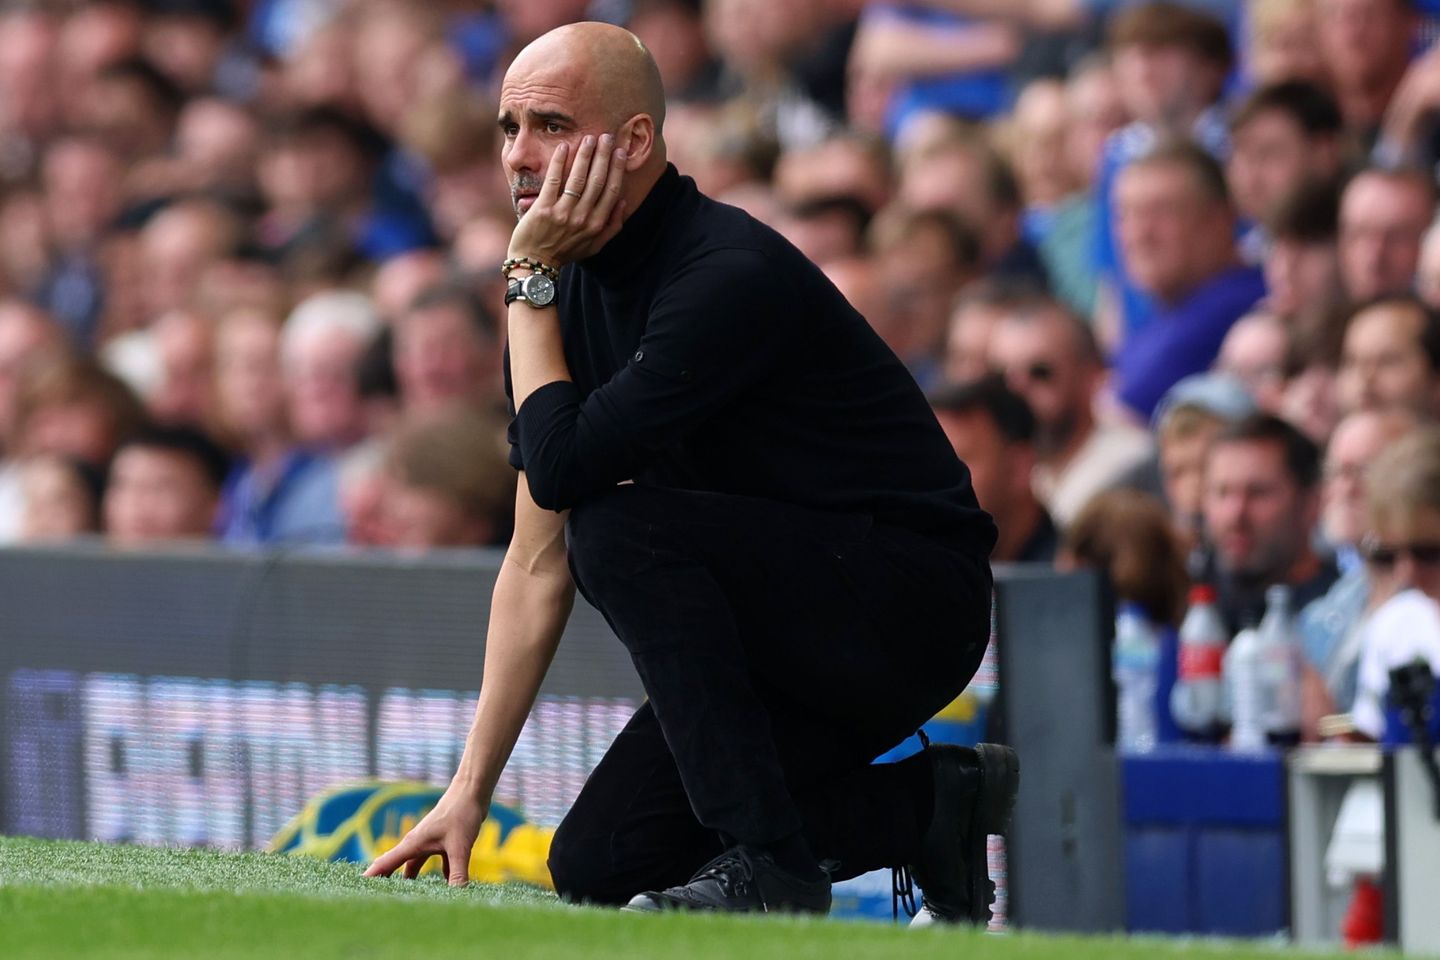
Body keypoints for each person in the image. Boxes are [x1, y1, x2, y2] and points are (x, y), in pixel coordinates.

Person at [365, 22, 1015, 924]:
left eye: (550, 125)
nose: (519, 155)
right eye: (508, 127)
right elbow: (533, 558)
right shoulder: (562, 288)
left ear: (634, 141)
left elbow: (565, 478)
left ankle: (779, 874)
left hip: (905, 605)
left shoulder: (723, 272)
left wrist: (523, 278)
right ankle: (928, 809)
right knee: (599, 862)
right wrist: (467, 791)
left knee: (619, 525)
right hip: (778, 620)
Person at [1111, 142, 1267, 421]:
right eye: (1127, 214)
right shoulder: (1160, 316)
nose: (1139, 233)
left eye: (1161, 212)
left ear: (1219, 220)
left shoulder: (1241, 302)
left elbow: (1119, 413)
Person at [985, 294, 1152, 528]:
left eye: (1039, 372)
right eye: (1001, 377)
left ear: (1091, 374)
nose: (1016, 389)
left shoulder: (1136, 463)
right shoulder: (1008, 471)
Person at [1201, 413, 1339, 632]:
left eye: (1258, 493)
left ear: (1311, 503)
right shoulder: (1188, 595)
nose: (1235, 514)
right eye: (1222, 492)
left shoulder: (1340, 614)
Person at [930, 375, 1058, 564]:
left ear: (1018, 468)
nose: (934, 482)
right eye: (931, 464)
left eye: (956, 463)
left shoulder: (1074, 570)